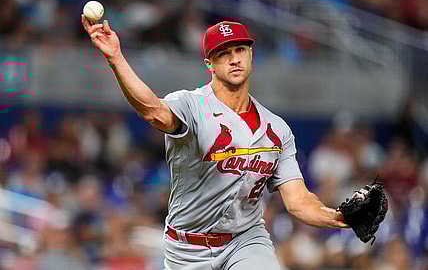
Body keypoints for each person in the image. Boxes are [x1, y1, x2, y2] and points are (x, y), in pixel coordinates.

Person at [81, 15, 349, 270]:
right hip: (187, 248)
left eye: (240, 50)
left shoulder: (277, 129)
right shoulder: (191, 105)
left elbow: (298, 201)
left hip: (245, 239)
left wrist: (338, 217)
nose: (234, 59)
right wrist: (116, 57)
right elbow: (152, 110)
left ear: (251, 54)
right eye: (223, 54)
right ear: (209, 63)